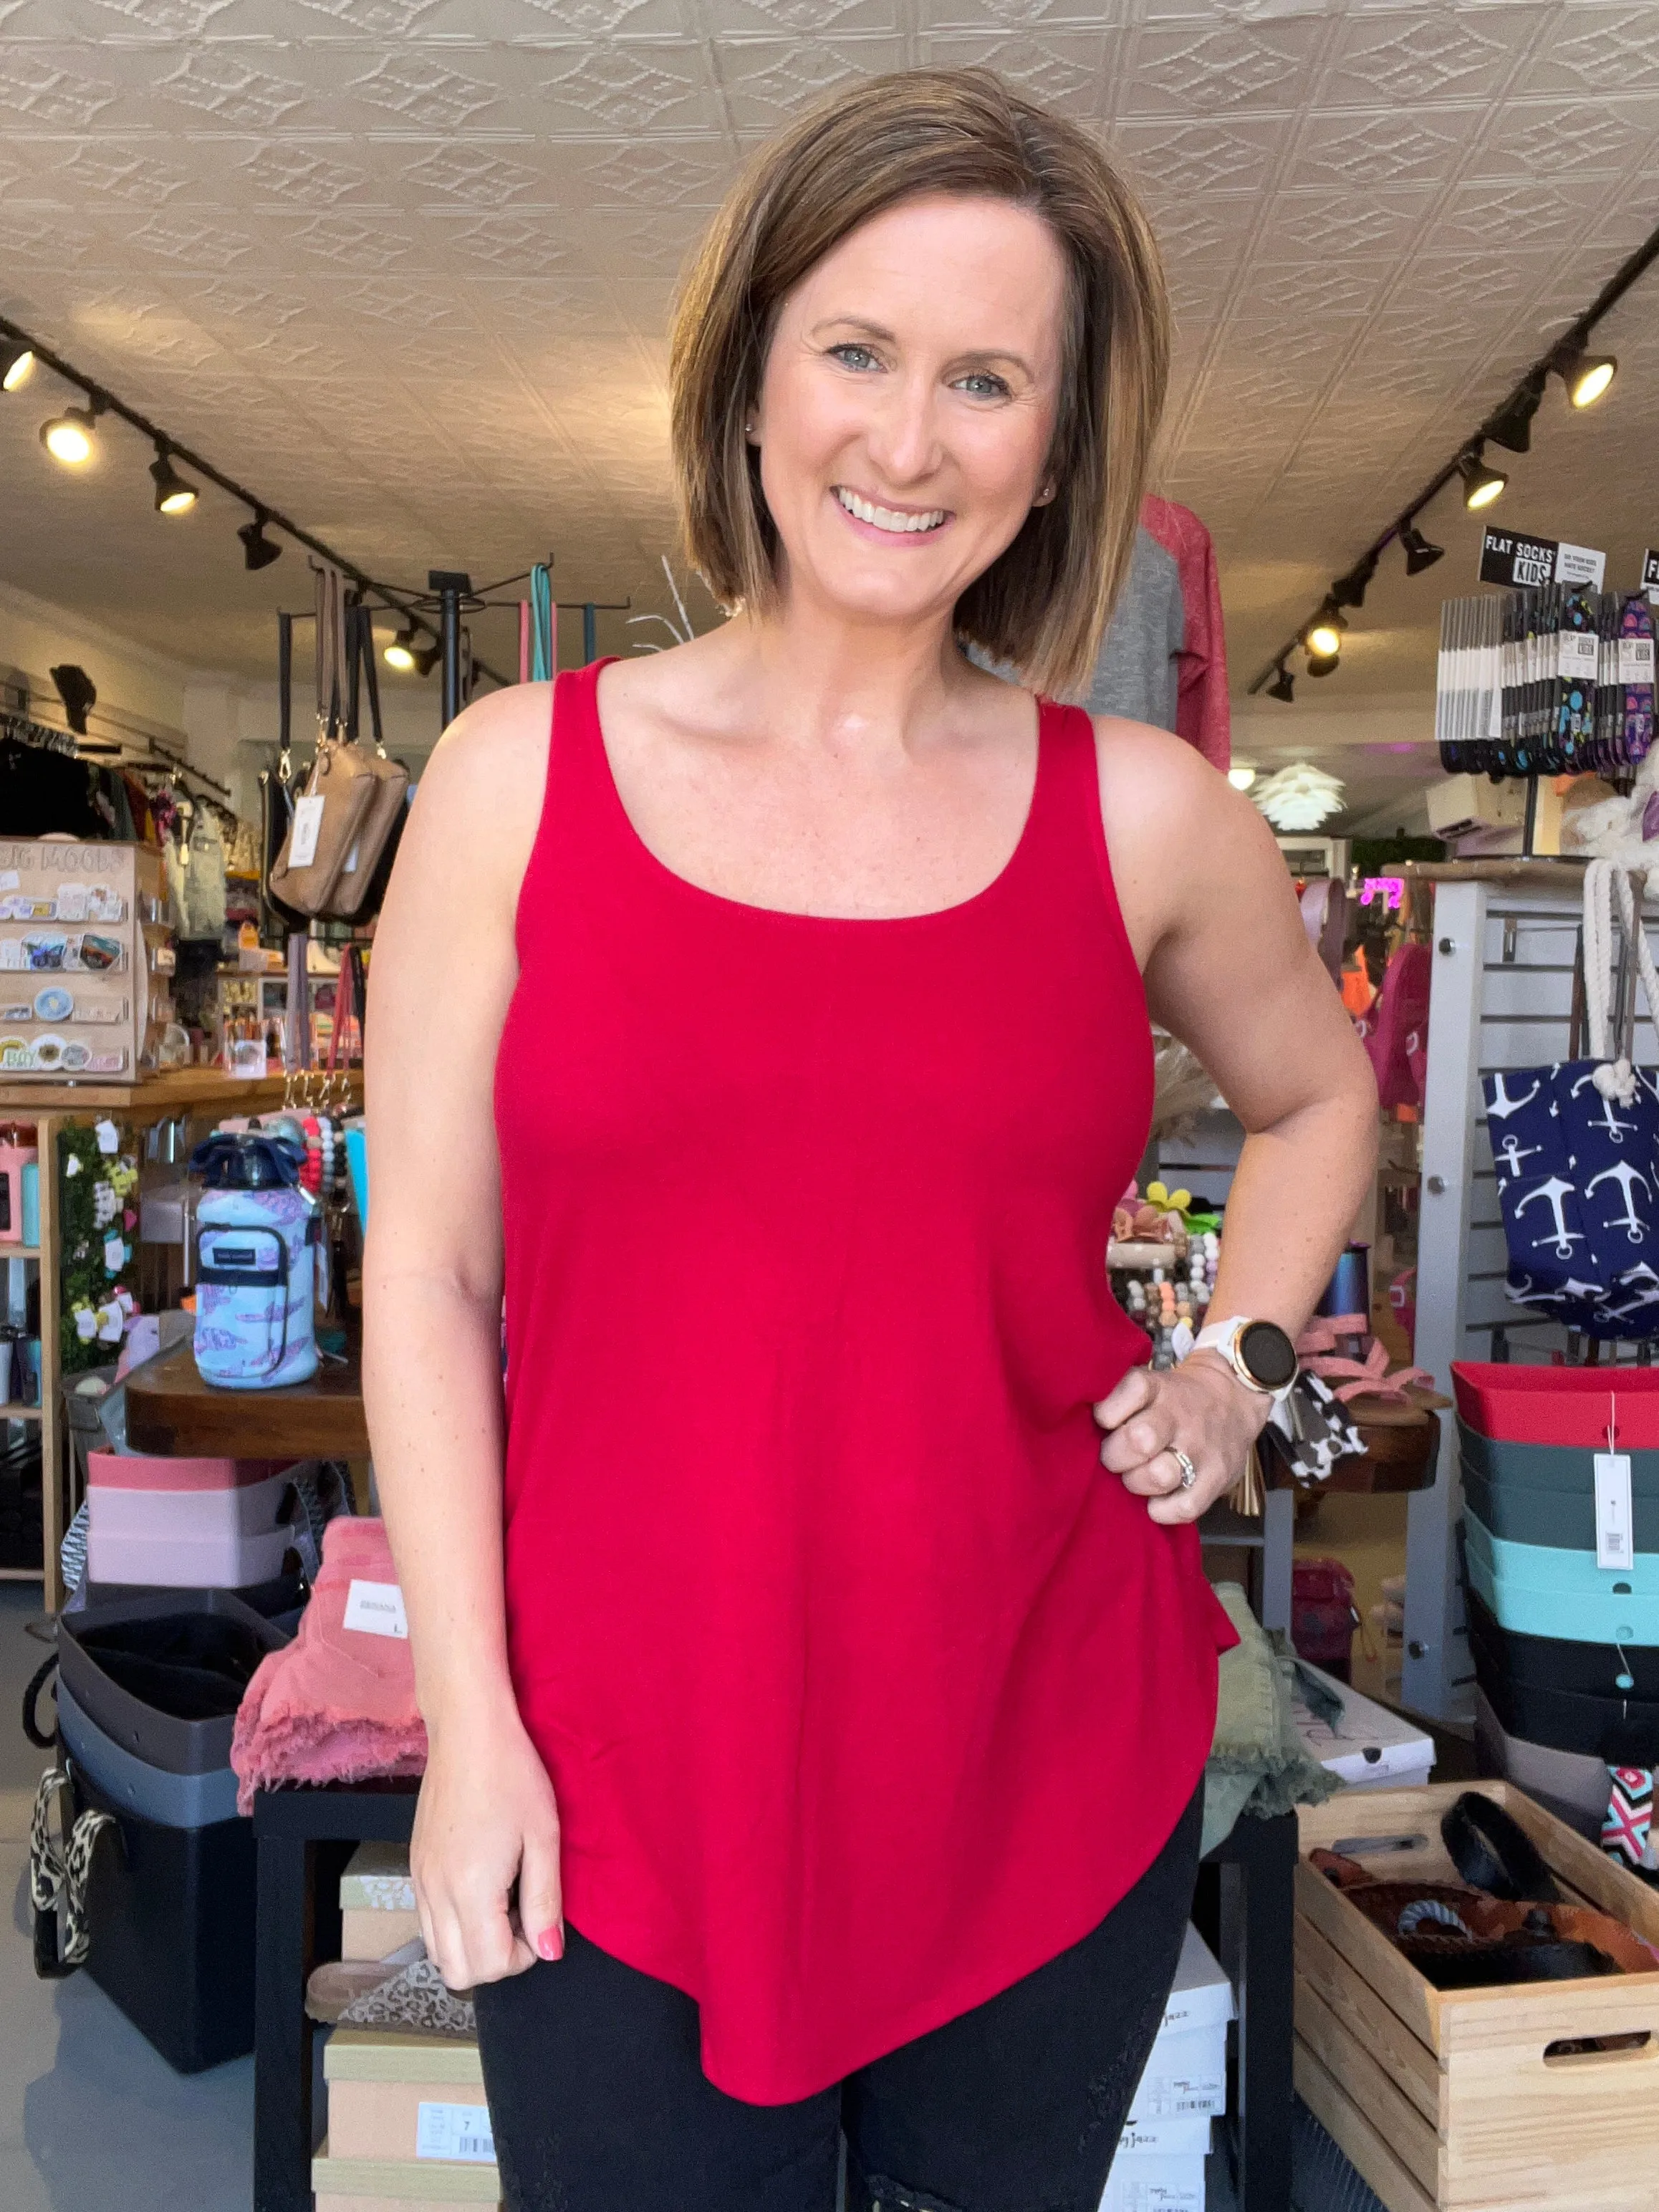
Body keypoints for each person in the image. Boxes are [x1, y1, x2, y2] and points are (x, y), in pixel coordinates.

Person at [363, 67, 1377, 2212]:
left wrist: (1240, 1366)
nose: (907, 441)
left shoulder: (1142, 816)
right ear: (746, 375)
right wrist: (470, 1724)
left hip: (1035, 1745)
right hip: (622, 1773)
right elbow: (430, 1278)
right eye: (856, 351)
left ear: (1055, 440)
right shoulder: (507, 780)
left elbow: (1313, 1096)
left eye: (986, 379)